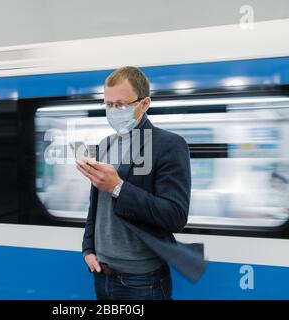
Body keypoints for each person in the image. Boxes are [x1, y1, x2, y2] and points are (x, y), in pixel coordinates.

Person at [76, 66, 207, 300]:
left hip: (142, 281)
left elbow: (175, 216)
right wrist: (88, 249)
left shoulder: (170, 145)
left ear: (144, 104)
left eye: (122, 105)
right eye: (109, 105)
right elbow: (94, 206)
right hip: (102, 274)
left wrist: (118, 187)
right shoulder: (106, 144)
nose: (114, 111)